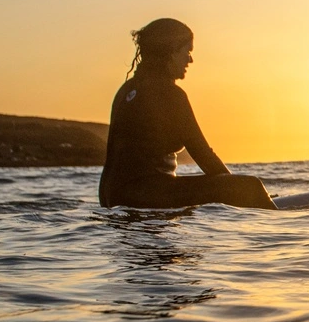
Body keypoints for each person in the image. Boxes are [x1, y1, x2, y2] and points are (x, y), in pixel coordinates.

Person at [98, 18, 275, 209]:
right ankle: (276, 230)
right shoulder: (170, 94)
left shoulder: (125, 90)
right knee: (250, 186)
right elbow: (203, 155)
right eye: (187, 51)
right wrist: (237, 190)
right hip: (145, 195)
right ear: (171, 52)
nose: (190, 60)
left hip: (110, 195)